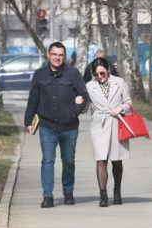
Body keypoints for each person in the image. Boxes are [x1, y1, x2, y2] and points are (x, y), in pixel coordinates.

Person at [24, 42, 89, 208]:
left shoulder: (73, 73)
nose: (57, 58)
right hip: (46, 125)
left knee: (68, 161)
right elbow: (33, 99)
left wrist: (75, 111)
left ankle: (68, 192)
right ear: (48, 55)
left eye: (61, 55)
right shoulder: (39, 74)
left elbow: (84, 96)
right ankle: (48, 196)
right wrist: (28, 120)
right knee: (47, 161)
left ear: (64, 56)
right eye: (54, 54)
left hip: (69, 126)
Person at [86, 57, 132, 207]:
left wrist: (121, 108)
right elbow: (85, 104)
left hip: (117, 122)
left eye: (102, 73)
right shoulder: (89, 86)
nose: (99, 77)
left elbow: (128, 102)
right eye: (96, 74)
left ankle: (117, 191)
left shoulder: (119, 82)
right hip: (99, 124)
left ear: (108, 70)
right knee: (101, 160)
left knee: (117, 160)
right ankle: (103, 194)